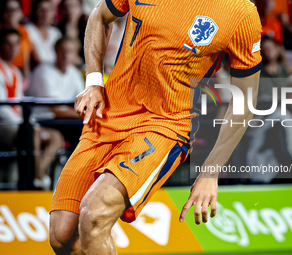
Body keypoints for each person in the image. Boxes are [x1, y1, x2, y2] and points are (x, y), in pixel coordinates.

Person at [49, 0, 262, 254]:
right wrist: (94, 80)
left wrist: (210, 172)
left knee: (95, 214)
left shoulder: (240, 12)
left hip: (166, 125)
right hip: (109, 114)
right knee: (62, 234)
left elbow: (245, 101)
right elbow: (99, 15)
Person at [0, 28, 64, 189]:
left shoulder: (15, 72)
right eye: (8, 43)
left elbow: (21, 105)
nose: (13, 48)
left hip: (18, 122)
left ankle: (38, 175)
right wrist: (26, 124)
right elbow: (3, 109)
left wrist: (30, 123)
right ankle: (36, 181)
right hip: (4, 125)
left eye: (16, 44)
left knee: (56, 137)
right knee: (31, 134)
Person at [27, 36, 84, 118]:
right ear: (56, 51)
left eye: (70, 51)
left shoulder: (75, 73)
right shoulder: (43, 71)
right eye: (62, 51)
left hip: (65, 119)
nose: (65, 55)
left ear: (76, 54)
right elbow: (55, 108)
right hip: (43, 119)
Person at [0, 0, 32, 78]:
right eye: (8, 10)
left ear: (20, 12)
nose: (12, 14)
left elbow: (26, 58)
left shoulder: (24, 32)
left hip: (19, 75)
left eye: (15, 10)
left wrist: (26, 76)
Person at [25, 0, 61, 67]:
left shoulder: (56, 33)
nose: (45, 14)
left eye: (49, 10)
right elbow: (37, 60)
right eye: (41, 10)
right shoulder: (27, 30)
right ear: (34, 11)